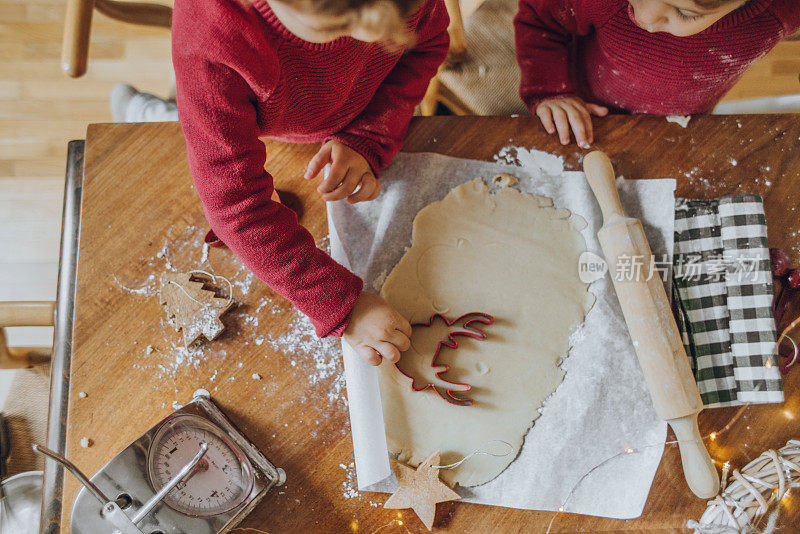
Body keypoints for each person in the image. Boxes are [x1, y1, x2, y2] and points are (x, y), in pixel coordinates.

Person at [169, 0, 450, 364]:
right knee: (193, 133)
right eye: (337, 25)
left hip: (344, 108)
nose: (374, 35)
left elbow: (424, 47)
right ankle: (147, 108)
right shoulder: (210, 42)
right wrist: (344, 306)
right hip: (262, 117)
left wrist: (368, 135)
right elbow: (236, 205)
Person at [514, 0, 800, 147]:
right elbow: (540, 20)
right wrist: (551, 91)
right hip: (584, 105)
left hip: (686, 119)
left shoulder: (780, 12)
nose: (647, 19)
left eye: (684, 13)